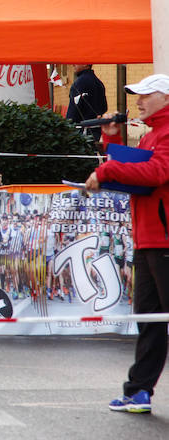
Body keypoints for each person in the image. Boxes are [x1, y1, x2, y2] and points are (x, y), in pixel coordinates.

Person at [85, 73, 169, 414]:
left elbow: (156, 173)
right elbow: (137, 170)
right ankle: (138, 391)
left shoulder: (164, 135)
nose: (138, 100)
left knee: (158, 317)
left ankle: (139, 390)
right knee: (150, 319)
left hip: (162, 238)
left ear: (165, 98)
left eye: (146, 94)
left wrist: (107, 172)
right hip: (149, 237)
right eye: (137, 95)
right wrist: (111, 141)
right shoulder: (151, 135)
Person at [67, 64, 108, 142]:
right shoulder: (98, 82)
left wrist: (68, 126)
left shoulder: (79, 83)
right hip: (96, 129)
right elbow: (104, 107)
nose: (73, 65)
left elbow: (73, 111)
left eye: (76, 62)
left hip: (80, 131)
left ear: (85, 64)